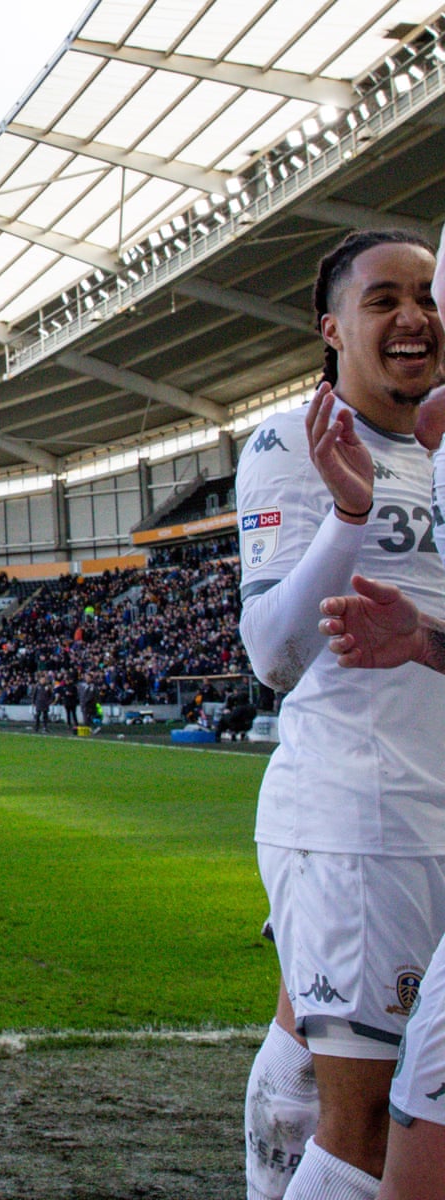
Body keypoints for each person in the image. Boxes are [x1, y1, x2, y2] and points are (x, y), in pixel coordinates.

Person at [235, 228, 445, 1200]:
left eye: (427, 295)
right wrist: (349, 519)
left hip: (424, 812)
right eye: (383, 299)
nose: (414, 317)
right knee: (364, 1128)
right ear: (332, 328)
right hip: (362, 817)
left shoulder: (440, 448)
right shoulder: (294, 441)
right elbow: (273, 655)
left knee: (308, 1070)